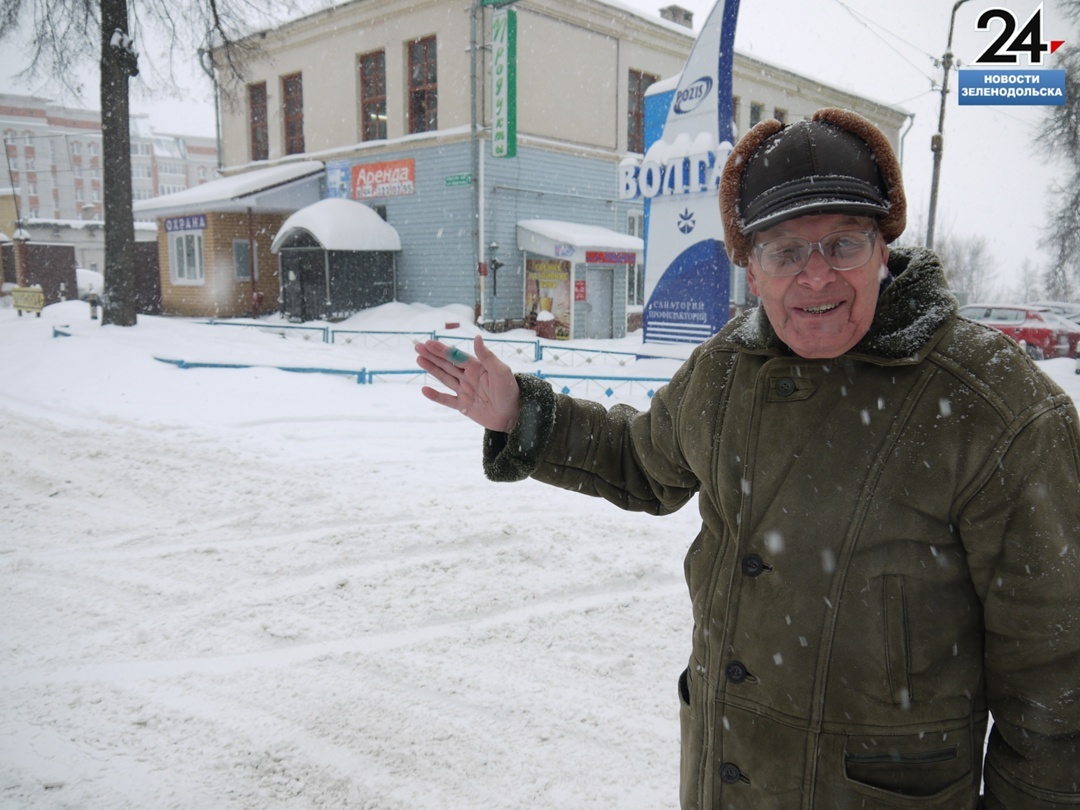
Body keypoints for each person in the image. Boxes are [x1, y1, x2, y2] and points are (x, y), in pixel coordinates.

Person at [414, 107, 1080, 809]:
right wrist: (520, 413)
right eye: (785, 251)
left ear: (883, 248)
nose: (815, 277)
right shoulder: (726, 372)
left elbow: (1059, 682)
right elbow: (642, 460)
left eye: (843, 244)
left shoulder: (995, 408)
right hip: (725, 781)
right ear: (750, 267)